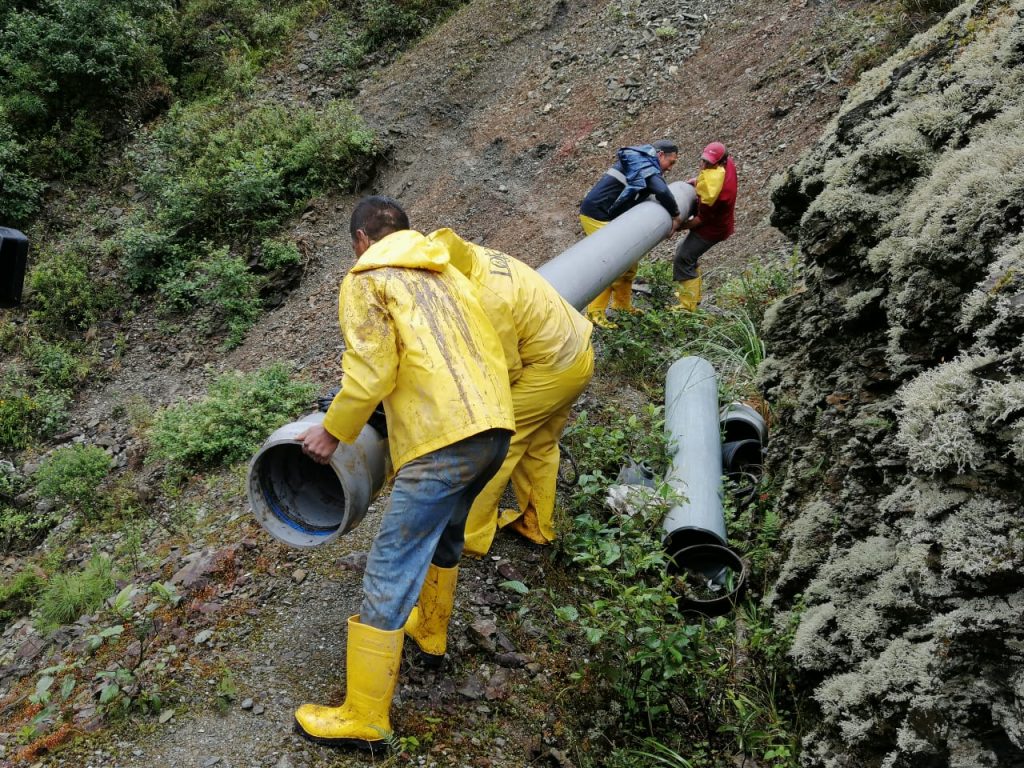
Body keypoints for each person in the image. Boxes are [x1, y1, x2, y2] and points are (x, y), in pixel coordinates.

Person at [293, 196, 515, 750]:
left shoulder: (368, 279)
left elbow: (373, 370)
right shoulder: (448, 274)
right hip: (495, 425)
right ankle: (431, 632)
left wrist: (333, 430)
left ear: (361, 240)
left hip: (444, 437)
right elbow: (497, 345)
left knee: (391, 560)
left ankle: (366, 718)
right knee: (447, 533)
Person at [427, 228, 594, 557]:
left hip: (551, 369)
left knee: (494, 442)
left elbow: (504, 371)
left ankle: (468, 536)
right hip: (575, 352)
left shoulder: (487, 300)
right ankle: (536, 524)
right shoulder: (473, 257)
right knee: (540, 444)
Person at [579, 139, 684, 327]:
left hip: (608, 215)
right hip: (596, 215)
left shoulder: (643, 162)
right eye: (671, 162)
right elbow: (661, 190)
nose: (670, 168)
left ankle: (622, 306)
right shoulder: (644, 165)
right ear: (660, 155)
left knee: (629, 263)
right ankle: (594, 313)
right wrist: (676, 216)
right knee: (612, 263)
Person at [672, 141, 738, 311]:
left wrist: (678, 226)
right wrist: (697, 181)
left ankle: (688, 307)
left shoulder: (719, 195)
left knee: (684, 257)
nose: (703, 165)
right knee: (685, 252)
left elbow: (701, 219)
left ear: (721, 163)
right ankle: (694, 297)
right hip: (715, 222)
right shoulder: (726, 165)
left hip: (712, 229)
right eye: (704, 160)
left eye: (709, 163)